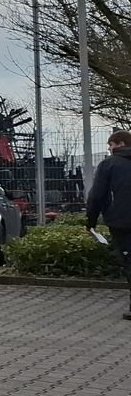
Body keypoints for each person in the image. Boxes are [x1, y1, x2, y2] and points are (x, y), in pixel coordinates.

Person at [85, 128, 131, 319]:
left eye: (110, 144)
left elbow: (97, 195)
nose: (109, 148)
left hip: (122, 222)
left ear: (120, 144)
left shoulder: (109, 164)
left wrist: (91, 221)